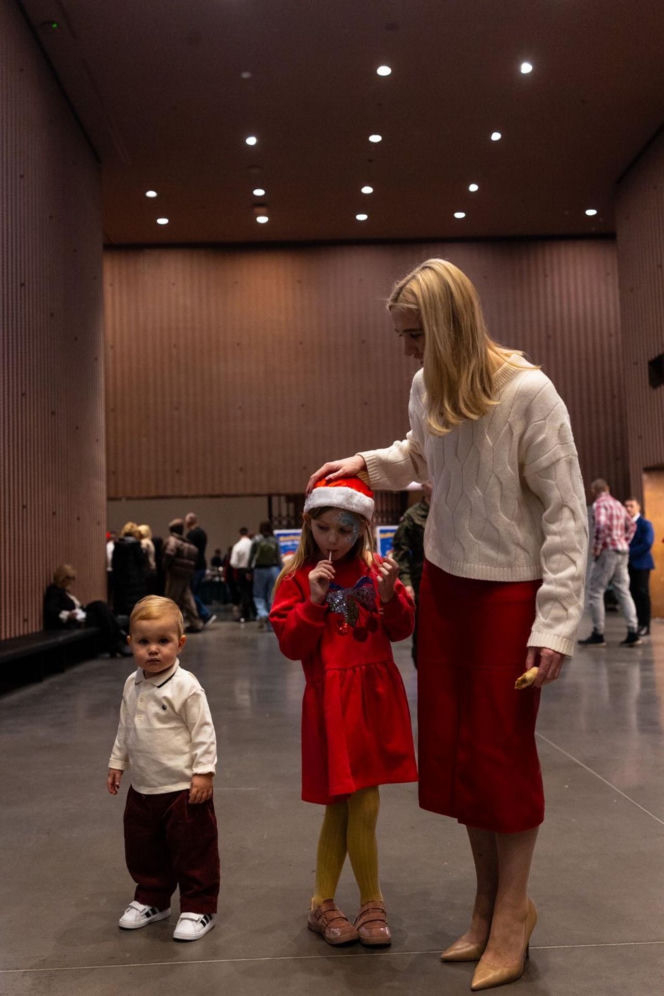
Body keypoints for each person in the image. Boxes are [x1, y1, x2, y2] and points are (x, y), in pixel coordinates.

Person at [307, 258, 588, 990]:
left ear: (451, 326)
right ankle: (489, 905)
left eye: (414, 335)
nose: (407, 350)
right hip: (446, 592)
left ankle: (514, 909)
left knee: (502, 754)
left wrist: (555, 624)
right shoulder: (427, 385)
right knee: (461, 754)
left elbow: (566, 516)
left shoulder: (531, 393)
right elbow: (421, 456)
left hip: (508, 598)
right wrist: (367, 463)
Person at [269, 477, 417, 949]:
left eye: (346, 530)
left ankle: (341, 903)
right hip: (331, 703)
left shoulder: (377, 572)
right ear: (308, 523)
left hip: (374, 699)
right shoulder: (294, 580)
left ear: (362, 531)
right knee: (341, 802)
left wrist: (393, 593)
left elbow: (401, 631)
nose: (334, 540)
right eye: (325, 528)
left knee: (364, 800)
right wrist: (312, 602)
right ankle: (342, 903)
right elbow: (292, 646)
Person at [107, 596, 220, 941]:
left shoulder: (185, 686)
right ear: (130, 644)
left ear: (180, 643)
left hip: (182, 790)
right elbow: (126, 726)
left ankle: (200, 907)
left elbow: (203, 731)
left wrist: (203, 772)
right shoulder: (133, 683)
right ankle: (153, 898)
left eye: (163, 641)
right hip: (143, 788)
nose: (153, 650)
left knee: (193, 849)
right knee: (143, 847)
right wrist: (117, 762)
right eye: (143, 642)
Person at [578, 479, 641, 647]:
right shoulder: (618, 505)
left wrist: (598, 548)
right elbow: (632, 527)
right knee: (623, 590)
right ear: (608, 488)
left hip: (608, 552)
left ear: (593, 491)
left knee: (595, 591)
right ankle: (633, 631)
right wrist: (623, 541)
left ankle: (598, 634)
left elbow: (600, 525)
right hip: (622, 551)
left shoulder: (600, 504)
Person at [43, 564, 131, 657]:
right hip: (75, 620)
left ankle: (116, 643)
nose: (72, 582)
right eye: (71, 579)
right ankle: (118, 640)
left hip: (81, 613)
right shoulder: (54, 591)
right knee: (104, 616)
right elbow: (51, 609)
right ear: (64, 579)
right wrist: (68, 615)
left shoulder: (64, 591)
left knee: (100, 605)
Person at [391, 482, 432, 666]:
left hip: (454, 581)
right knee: (424, 633)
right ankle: (422, 671)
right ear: (423, 485)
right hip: (422, 580)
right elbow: (401, 553)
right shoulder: (412, 516)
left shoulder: (452, 512)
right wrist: (406, 583)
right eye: (429, 480)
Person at [161, 519, 203, 632]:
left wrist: (164, 566)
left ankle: (168, 625)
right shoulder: (187, 542)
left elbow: (169, 553)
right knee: (188, 599)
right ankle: (196, 623)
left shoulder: (172, 540)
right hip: (186, 575)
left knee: (170, 599)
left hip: (175, 574)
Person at [624, 497, 655, 637]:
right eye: (626, 506)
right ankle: (638, 624)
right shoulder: (625, 524)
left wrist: (628, 552)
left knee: (643, 594)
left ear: (638, 507)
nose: (628, 508)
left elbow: (647, 543)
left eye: (631, 506)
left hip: (642, 564)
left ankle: (645, 625)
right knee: (633, 594)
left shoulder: (645, 524)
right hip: (628, 565)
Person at [250, 521, 283, 630]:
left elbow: (251, 556)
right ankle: (271, 622)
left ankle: (262, 613)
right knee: (271, 596)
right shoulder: (274, 540)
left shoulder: (256, 539)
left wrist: (248, 570)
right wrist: (282, 571)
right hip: (274, 569)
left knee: (258, 595)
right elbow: (278, 558)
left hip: (260, 569)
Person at [111, 522, 148, 616]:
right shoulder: (136, 546)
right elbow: (142, 563)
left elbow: (114, 565)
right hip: (135, 583)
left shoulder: (118, 546)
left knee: (123, 610)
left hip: (121, 583)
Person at [185, 512, 215, 626]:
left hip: (194, 567)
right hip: (202, 565)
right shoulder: (203, 533)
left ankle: (206, 614)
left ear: (189, 522)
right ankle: (200, 616)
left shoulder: (191, 535)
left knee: (191, 594)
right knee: (196, 592)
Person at [229, 527, 254, 622]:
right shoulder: (252, 544)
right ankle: (255, 613)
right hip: (252, 570)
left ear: (240, 534)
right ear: (247, 533)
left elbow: (233, 562)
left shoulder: (237, 546)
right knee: (253, 592)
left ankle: (245, 614)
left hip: (242, 571)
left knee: (244, 593)